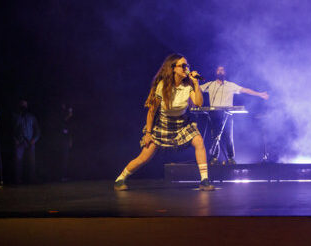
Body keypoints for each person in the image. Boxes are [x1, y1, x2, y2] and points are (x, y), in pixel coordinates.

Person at [114, 53, 214, 191]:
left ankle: (204, 180)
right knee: (144, 156)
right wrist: (148, 133)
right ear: (173, 68)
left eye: (187, 66)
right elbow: (151, 111)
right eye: (183, 66)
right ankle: (120, 179)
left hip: (182, 123)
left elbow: (198, 103)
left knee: (199, 141)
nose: (186, 68)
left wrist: (196, 84)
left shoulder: (188, 85)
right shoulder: (162, 86)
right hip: (163, 123)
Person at [199, 65, 269, 164]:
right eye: (218, 70)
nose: (220, 71)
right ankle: (214, 158)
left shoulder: (230, 85)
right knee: (214, 136)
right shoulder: (210, 85)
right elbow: (197, 89)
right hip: (214, 114)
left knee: (228, 137)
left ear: (225, 73)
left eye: (222, 70)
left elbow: (245, 90)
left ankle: (230, 158)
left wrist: (259, 94)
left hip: (227, 114)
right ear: (216, 72)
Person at [12, 99, 41, 184]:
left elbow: (38, 131)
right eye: (22, 105)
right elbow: (10, 130)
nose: (23, 107)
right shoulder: (15, 117)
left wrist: (34, 140)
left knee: (31, 161)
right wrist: (15, 140)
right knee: (18, 162)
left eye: (25, 105)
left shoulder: (32, 117)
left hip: (30, 142)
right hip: (19, 143)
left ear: (27, 106)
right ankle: (18, 180)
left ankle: (32, 179)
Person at [59, 103, 73, 181]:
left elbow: (69, 132)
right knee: (62, 158)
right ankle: (61, 176)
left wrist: (70, 140)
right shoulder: (61, 120)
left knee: (66, 159)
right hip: (61, 142)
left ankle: (65, 176)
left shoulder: (68, 123)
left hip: (66, 142)